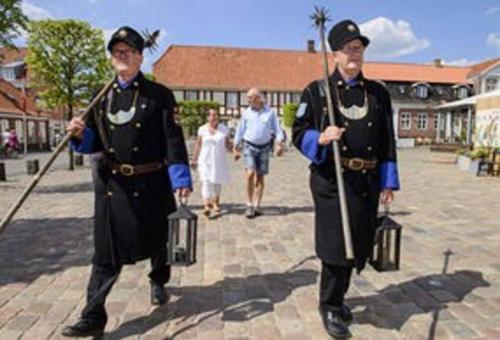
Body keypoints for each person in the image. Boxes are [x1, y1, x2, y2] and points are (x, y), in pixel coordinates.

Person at [61, 26, 192, 338]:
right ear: (111, 59)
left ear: (140, 58)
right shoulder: (100, 97)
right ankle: (93, 314)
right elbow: (93, 142)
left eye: (128, 51)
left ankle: (158, 280)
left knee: (159, 239)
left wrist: (180, 178)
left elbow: (173, 141)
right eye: (116, 51)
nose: (122, 55)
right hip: (113, 185)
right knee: (105, 252)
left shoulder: (159, 96)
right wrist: (80, 134)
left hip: (152, 183)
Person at [292, 19, 400, 338]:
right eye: (348, 49)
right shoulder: (316, 92)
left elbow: (387, 141)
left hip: (366, 181)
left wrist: (388, 181)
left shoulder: (378, 93)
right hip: (331, 181)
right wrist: (320, 138)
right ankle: (329, 304)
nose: (355, 54)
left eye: (359, 48)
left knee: (359, 243)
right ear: (335, 54)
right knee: (337, 245)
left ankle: (338, 298)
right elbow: (298, 133)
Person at [233, 88, 284, 218]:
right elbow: (240, 130)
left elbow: (277, 130)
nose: (248, 100)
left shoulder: (270, 112)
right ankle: (249, 204)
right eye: (247, 97)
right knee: (250, 174)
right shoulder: (246, 113)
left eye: (250, 97)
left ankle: (257, 205)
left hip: (265, 147)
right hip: (249, 146)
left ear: (258, 98)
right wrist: (236, 146)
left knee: (260, 176)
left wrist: (279, 144)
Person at [190, 109, 232, 218]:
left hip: (218, 160)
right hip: (205, 160)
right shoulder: (202, 129)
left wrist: (235, 152)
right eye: (212, 115)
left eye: (216, 115)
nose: (214, 117)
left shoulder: (224, 129)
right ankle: (206, 205)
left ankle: (215, 202)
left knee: (217, 181)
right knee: (206, 181)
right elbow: (198, 145)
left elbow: (228, 144)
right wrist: (194, 159)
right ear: (207, 117)